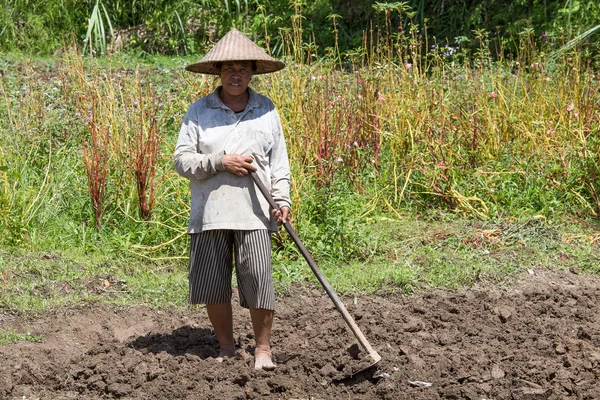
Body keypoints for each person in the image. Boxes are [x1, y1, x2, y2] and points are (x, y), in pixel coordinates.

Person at [174, 28, 291, 371]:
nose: (235, 74)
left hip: (255, 211)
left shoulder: (265, 110)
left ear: (252, 72)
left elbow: (279, 164)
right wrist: (219, 161)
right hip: (210, 212)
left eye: (242, 68)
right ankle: (226, 347)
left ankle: (263, 350)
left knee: (258, 279)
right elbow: (182, 160)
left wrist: (282, 202)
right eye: (228, 68)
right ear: (218, 73)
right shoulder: (200, 111)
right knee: (212, 284)